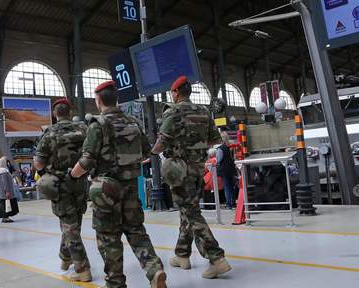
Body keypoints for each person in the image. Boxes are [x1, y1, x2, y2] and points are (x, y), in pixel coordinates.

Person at [70, 80, 166, 288]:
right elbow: (146, 151)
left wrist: (73, 174)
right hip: (131, 187)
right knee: (136, 231)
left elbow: (87, 160)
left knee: (108, 236)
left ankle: (115, 282)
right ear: (117, 99)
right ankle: (154, 269)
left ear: (98, 100)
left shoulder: (98, 124)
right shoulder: (133, 122)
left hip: (106, 191)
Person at [151, 75, 231, 279]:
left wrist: (150, 154)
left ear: (176, 93)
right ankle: (182, 255)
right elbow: (214, 140)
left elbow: (162, 142)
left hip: (179, 170)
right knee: (188, 210)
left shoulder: (173, 111)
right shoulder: (204, 111)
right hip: (198, 169)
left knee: (192, 213)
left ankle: (216, 258)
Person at [34, 98, 92, 282]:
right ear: (70, 111)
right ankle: (66, 258)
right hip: (81, 182)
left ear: (54, 114)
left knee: (69, 226)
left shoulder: (50, 133)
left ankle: (82, 269)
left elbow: (39, 163)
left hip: (61, 184)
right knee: (74, 223)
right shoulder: (84, 129)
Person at [216, 131, 238, 209]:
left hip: (224, 170)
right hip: (232, 169)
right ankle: (233, 202)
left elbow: (218, 160)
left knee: (227, 187)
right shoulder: (231, 147)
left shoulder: (220, 148)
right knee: (232, 187)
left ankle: (229, 204)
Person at [0, 157, 19, 223]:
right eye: (6, 162)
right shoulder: (3, 171)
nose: (8, 163)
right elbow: (5, 182)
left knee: (4, 204)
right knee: (6, 204)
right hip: (5, 191)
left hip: (2, 191)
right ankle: (6, 217)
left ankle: (5, 217)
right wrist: (7, 191)